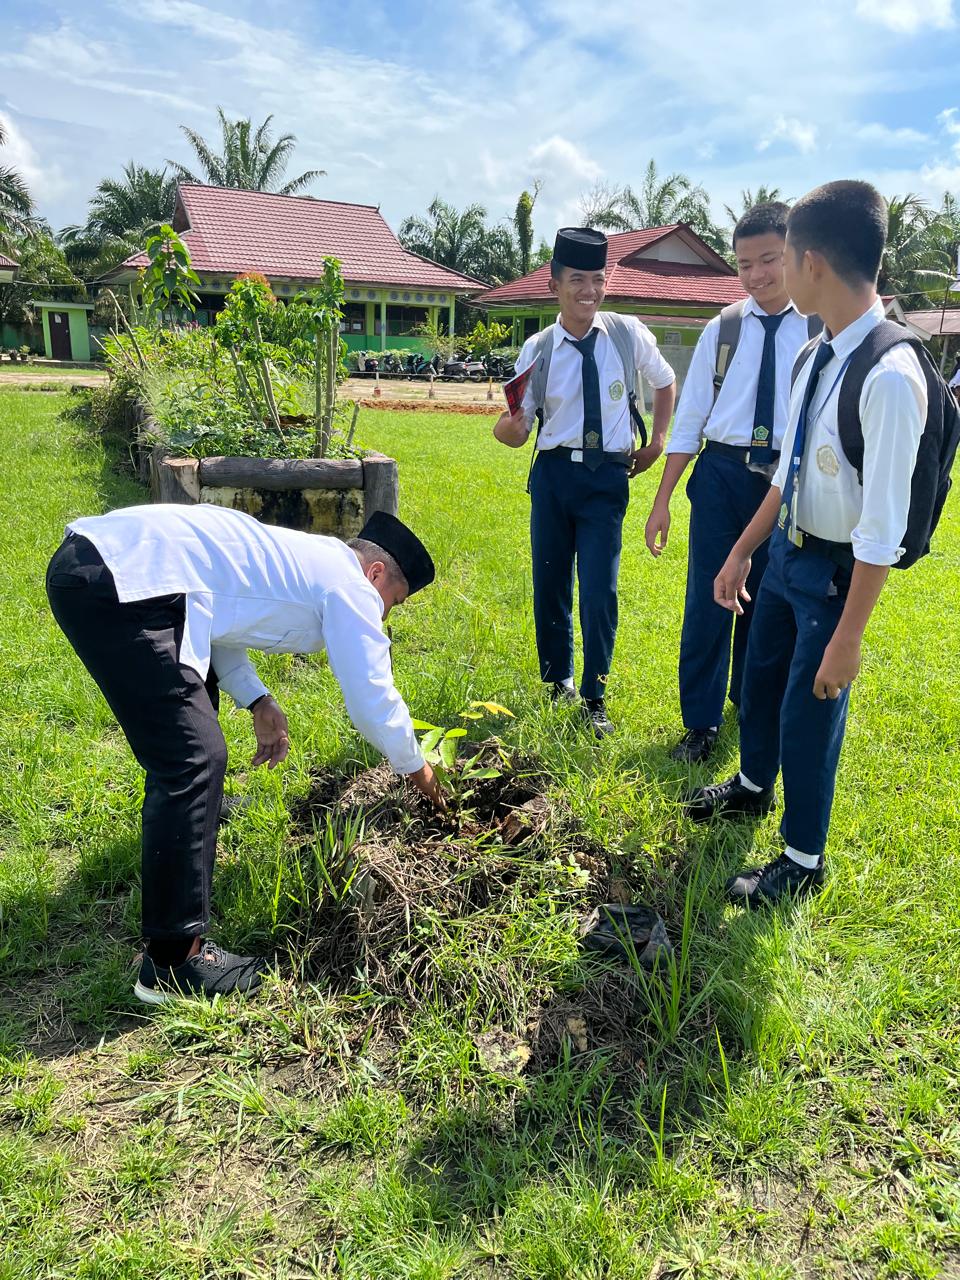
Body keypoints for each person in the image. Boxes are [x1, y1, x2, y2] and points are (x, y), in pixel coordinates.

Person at [46, 504, 444, 1001]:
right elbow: (371, 698)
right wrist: (420, 772)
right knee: (193, 759)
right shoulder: (350, 585)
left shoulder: (304, 559)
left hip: (115, 569)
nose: (384, 615)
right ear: (376, 573)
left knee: (190, 734)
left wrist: (257, 699)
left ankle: (197, 819)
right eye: (394, 602)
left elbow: (211, 611)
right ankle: (173, 964)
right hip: (120, 582)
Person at [686, 180, 927, 907]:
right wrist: (741, 552)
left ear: (811, 262)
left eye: (782, 257)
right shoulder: (816, 354)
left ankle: (802, 858)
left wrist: (849, 639)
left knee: (810, 710)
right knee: (761, 685)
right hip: (787, 554)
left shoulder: (890, 375)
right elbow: (786, 474)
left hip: (835, 573)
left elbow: (881, 531)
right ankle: (753, 785)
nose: (772, 273)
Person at [645, 203, 820, 763]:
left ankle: (750, 708)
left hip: (787, 483)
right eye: (745, 264)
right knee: (709, 599)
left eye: (769, 259)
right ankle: (700, 723)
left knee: (768, 602)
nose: (757, 275)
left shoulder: (820, 330)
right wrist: (662, 500)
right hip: (721, 477)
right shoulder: (723, 329)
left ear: (794, 254)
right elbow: (690, 419)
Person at [493, 227, 676, 736]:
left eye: (597, 280)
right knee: (551, 583)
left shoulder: (626, 334)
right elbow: (515, 428)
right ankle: (559, 682)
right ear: (554, 285)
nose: (589, 291)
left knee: (600, 589)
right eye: (577, 280)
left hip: (607, 479)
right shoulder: (538, 349)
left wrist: (658, 441)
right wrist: (509, 428)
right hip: (554, 476)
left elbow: (665, 382)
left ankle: (595, 695)